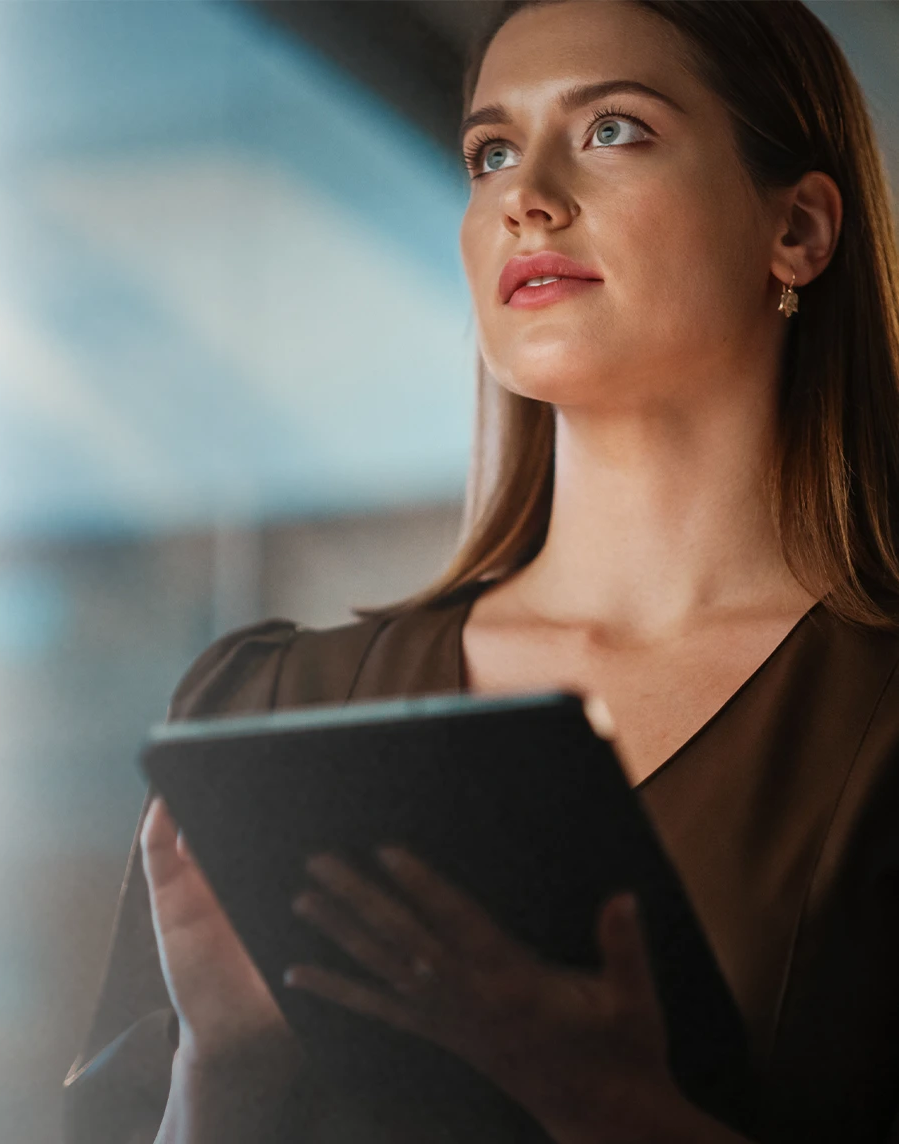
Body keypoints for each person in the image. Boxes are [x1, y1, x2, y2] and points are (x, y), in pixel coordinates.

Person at [64, 1, 899, 1141]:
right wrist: (223, 1073)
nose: (526, 196)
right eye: (490, 153)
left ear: (797, 229)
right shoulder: (270, 707)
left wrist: (623, 1114)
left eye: (613, 131)